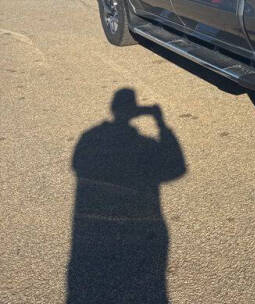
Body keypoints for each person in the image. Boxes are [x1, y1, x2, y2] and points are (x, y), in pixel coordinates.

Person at [67, 89, 186, 304]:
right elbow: (177, 168)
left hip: (91, 230)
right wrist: (160, 123)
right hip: (143, 228)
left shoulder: (89, 137)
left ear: (113, 109)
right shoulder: (144, 145)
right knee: (149, 286)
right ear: (135, 111)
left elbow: (77, 164)